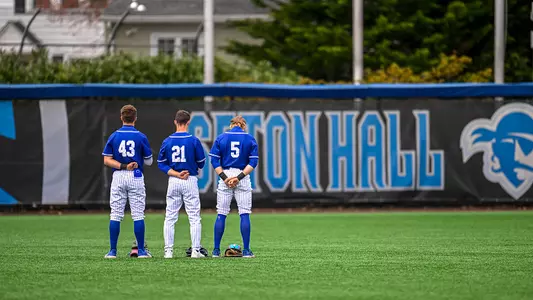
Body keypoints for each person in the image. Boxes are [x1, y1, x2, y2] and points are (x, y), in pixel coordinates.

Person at [102, 105, 153, 258]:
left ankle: (112, 251)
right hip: (135, 176)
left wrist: (123, 165)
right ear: (135, 118)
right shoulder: (141, 136)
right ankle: (142, 251)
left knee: (116, 214)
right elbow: (149, 161)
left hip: (118, 175)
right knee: (138, 215)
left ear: (121, 118)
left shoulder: (114, 136)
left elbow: (106, 160)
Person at [158, 110, 207, 259]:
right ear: (188, 122)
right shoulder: (194, 140)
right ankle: (195, 251)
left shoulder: (167, 141)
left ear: (175, 122)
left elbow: (161, 164)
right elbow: (201, 162)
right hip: (189, 179)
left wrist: (175, 173)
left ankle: (168, 251)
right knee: (194, 217)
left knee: (170, 217)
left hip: (174, 180)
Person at [209, 115, 259, 258]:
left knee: (221, 213)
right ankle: (247, 251)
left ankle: (216, 251)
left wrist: (225, 178)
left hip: (225, 174)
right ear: (243, 125)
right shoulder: (249, 138)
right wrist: (238, 178)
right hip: (241, 176)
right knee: (244, 213)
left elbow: (214, 160)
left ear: (232, 125)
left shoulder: (221, 137)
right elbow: (253, 163)